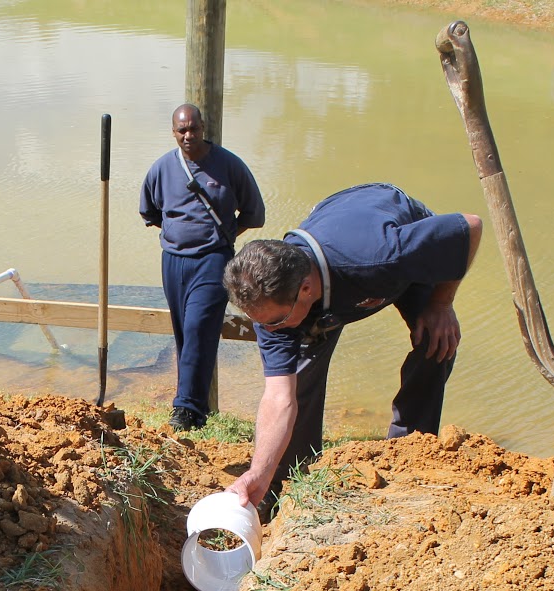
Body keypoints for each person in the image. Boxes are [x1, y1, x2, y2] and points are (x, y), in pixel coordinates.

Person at [221, 183, 482, 515]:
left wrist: (442, 303)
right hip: (333, 265)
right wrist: (258, 471)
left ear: (305, 290)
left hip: (391, 259)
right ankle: (289, 481)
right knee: (299, 377)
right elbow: (278, 397)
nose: (269, 331)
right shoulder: (269, 301)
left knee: (437, 340)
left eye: (275, 322)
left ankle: (406, 456)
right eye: (262, 323)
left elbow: (469, 226)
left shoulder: (383, 254)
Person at [139, 104, 265, 432]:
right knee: (184, 333)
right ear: (173, 132)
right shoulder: (162, 168)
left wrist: (222, 236)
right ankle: (198, 409)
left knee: (198, 327)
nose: (188, 136)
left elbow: (254, 214)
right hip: (173, 261)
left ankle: (184, 409)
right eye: (182, 130)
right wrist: (178, 236)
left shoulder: (228, 165)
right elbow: (151, 212)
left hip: (214, 260)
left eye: (193, 128)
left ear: (203, 127)